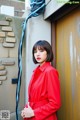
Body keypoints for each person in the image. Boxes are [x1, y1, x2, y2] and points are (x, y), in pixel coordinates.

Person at [21, 40, 61, 120]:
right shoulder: (36, 71)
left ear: (48, 52)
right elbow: (32, 98)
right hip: (32, 114)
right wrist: (26, 110)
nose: (37, 54)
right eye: (35, 51)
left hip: (44, 116)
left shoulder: (50, 71)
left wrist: (33, 113)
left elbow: (55, 103)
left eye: (41, 51)